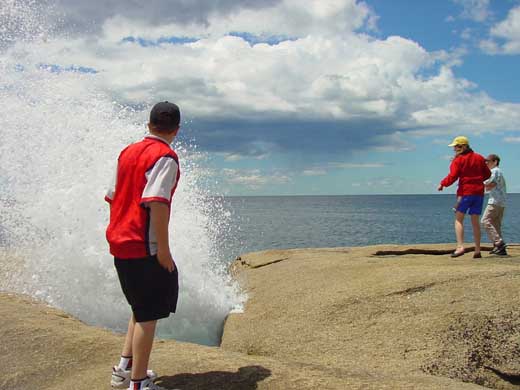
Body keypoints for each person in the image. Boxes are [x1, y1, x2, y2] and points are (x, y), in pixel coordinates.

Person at [105, 101, 181, 390]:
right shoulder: (165, 156)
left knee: (140, 306)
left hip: (119, 240)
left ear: (149, 125)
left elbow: (112, 196)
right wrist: (163, 250)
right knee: (148, 315)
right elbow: (157, 203)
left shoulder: (127, 152)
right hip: (143, 246)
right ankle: (137, 383)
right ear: (176, 130)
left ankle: (123, 368)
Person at [438, 136, 491, 259]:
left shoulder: (459, 160)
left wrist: (442, 184)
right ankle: (477, 250)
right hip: (478, 193)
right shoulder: (479, 158)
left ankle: (460, 246)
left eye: (457, 146)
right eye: (455, 147)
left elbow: (453, 176)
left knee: (458, 219)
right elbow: (487, 174)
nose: (455, 149)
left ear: (464, 146)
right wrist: (477, 180)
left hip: (466, 192)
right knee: (475, 222)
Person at [481, 154, 507, 256]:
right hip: (501, 202)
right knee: (496, 225)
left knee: (485, 221)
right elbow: (490, 186)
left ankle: (499, 242)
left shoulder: (495, 171)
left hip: (495, 201)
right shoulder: (498, 172)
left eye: (488, 161)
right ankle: (500, 249)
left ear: (495, 161)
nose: (486, 163)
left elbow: (488, 183)